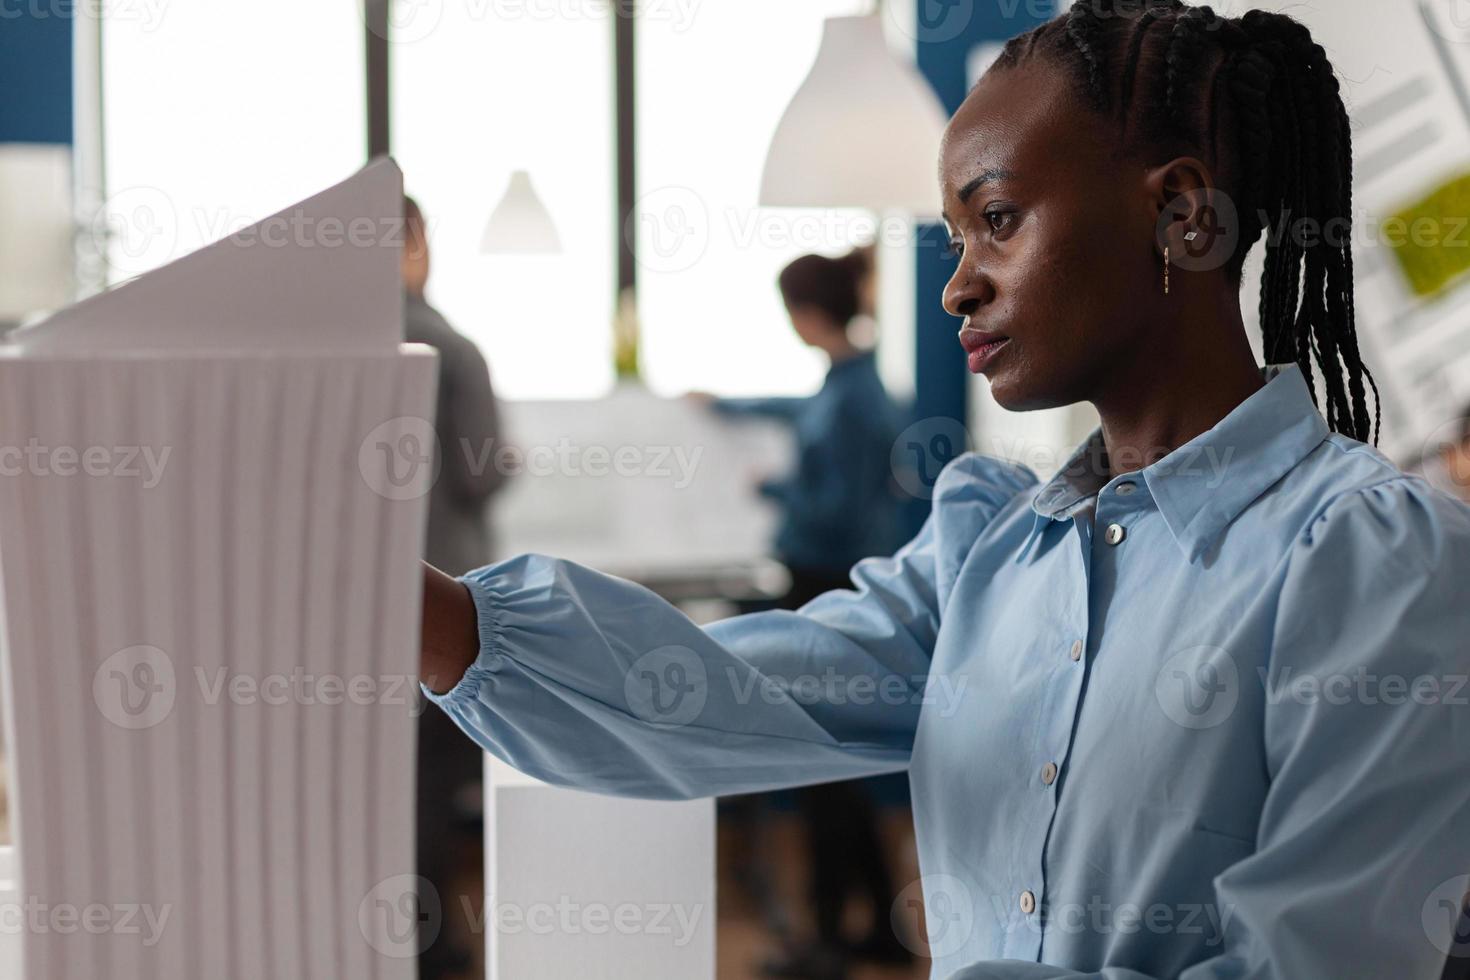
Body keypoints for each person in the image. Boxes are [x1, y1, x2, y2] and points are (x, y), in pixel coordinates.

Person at [417, 5, 1470, 977]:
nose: (958, 282)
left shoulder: (1374, 561)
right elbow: (708, 697)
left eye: (999, 218)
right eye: (957, 235)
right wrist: (415, 607)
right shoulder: (985, 558)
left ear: (1182, 215)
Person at [705, 248, 910, 978]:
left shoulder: (856, 399)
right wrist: (725, 405)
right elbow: (797, 410)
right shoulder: (847, 381)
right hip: (817, 586)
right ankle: (874, 933)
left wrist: (775, 488)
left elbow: (834, 508)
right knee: (832, 768)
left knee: (822, 766)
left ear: (804, 312)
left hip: (825, 586)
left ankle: (826, 942)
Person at [402, 195, 508, 979]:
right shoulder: (448, 348)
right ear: (410, 244)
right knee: (433, 788)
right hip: (442, 606)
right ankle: (436, 949)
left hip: (359, 605)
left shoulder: (331, 344)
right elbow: (478, 473)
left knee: (376, 787)